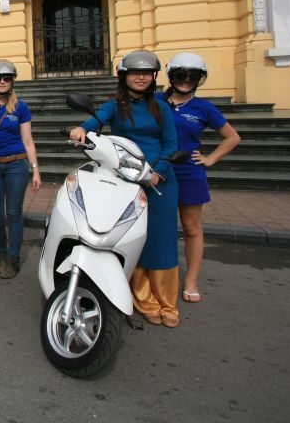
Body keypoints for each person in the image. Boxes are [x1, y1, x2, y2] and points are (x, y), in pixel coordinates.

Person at [69, 50, 180, 327]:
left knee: (162, 239)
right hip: (125, 179)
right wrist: (82, 130)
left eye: (146, 73)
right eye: (134, 72)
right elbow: (95, 121)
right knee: (131, 237)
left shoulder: (161, 107)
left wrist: (158, 172)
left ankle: (166, 300)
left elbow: (171, 145)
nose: (140, 77)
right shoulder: (115, 105)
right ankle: (141, 297)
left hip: (159, 180)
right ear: (124, 76)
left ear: (154, 77)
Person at [161, 52, 240, 305]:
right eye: (181, 75)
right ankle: (156, 276)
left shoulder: (204, 108)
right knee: (157, 227)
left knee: (192, 228)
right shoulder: (156, 101)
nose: (186, 80)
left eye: (193, 76)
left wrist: (210, 159)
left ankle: (191, 280)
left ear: (199, 79)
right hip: (159, 170)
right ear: (172, 76)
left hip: (188, 172)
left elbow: (232, 137)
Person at [0, 59, 41, 279]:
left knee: (14, 214)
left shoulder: (20, 107)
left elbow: (28, 140)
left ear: (12, 81)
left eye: (7, 78)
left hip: (16, 164)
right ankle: (1, 253)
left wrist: (35, 169)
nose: (3, 81)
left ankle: (13, 258)